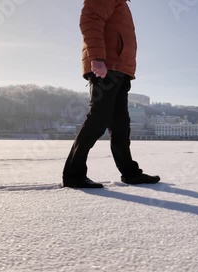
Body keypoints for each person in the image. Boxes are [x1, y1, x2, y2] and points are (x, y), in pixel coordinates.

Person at [63, 0, 160, 188]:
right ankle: (73, 175)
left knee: (121, 124)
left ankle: (130, 173)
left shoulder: (121, 3)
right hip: (107, 67)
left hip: (119, 69)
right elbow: (90, 19)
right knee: (98, 119)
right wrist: (97, 58)